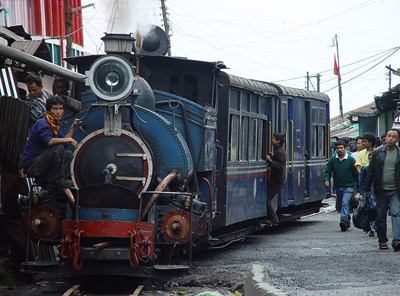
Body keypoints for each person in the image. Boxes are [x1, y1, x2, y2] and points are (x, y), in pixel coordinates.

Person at [22, 95, 81, 205]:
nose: (58, 112)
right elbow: (48, 141)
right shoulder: (42, 123)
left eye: (60, 109)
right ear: (48, 110)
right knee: (57, 147)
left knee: (67, 154)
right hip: (33, 165)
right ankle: (56, 180)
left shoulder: (53, 124)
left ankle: (59, 178)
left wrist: (73, 127)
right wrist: (68, 139)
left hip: (43, 163)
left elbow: (65, 143)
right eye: (55, 109)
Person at [365, 128, 400, 251]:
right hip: (380, 190)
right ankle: (382, 240)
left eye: (393, 136)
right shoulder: (377, 153)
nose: (390, 138)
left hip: (396, 190)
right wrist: (367, 188)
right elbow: (371, 172)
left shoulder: (399, 153)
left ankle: (397, 240)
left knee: (396, 213)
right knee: (381, 216)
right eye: (389, 136)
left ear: (397, 139)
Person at [324, 140, 358, 231]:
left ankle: (343, 219)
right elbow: (327, 171)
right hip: (338, 186)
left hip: (349, 186)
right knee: (341, 204)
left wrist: (359, 186)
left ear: (344, 148)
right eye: (338, 148)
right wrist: (326, 180)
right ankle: (347, 220)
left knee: (345, 203)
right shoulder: (332, 160)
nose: (339, 150)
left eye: (341, 148)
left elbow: (356, 174)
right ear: (335, 149)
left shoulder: (350, 160)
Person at [0, 164, 29, 264]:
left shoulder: (9, 178)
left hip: (9, 215)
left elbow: (24, 191)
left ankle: (23, 268)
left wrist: (21, 176)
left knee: (21, 244)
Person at [263, 133, 286, 226]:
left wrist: (270, 160)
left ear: (278, 141)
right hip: (278, 179)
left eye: (273, 139)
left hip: (277, 180)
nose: (272, 140)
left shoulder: (279, 152)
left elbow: (279, 166)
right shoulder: (280, 151)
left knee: (267, 199)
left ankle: (274, 220)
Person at [358, 154, 376, 237]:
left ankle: (376, 226)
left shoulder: (380, 168)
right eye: (369, 159)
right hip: (369, 194)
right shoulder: (365, 169)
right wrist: (361, 193)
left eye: (372, 159)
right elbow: (362, 182)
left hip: (378, 194)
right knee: (370, 211)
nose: (370, 160)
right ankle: (372, 228)